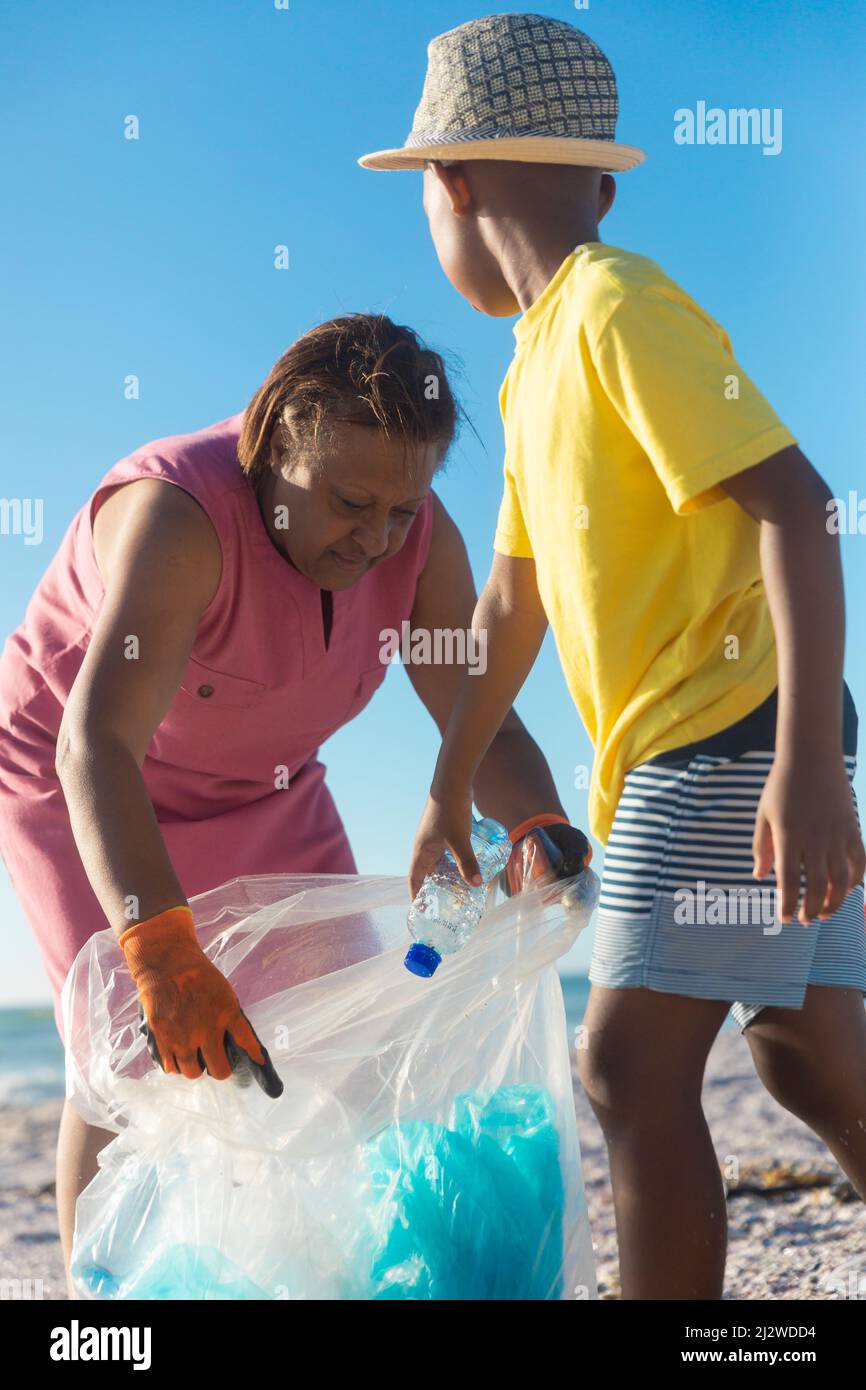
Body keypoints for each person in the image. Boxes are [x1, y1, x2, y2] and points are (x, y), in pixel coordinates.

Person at [359, 14, 866, 1299]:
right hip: (732, 747)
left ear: (451, 182)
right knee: (807, 1056)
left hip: (722, 745)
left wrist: (805, 764)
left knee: (625, 1068)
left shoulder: (616, 306)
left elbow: (799, 508)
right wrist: (445, 789)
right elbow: (509, 611)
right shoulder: (534, 361)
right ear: (595, 177)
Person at [0, 311, 586, 1292]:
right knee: (126, 1055)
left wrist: (537, 824)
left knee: (343, 1044)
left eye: (402, 509)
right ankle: (97, 1309)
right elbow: (92, 742)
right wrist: (162, 954)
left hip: (269, 782)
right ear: (274, 448)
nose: (376, 539)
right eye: (351, 502)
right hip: (85, 780)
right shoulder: (178, 517)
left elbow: (476, 720)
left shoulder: (415, 541)